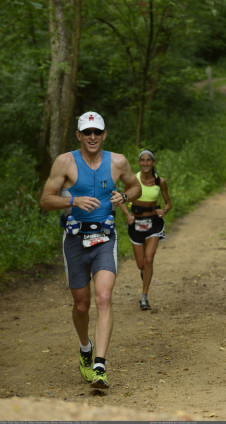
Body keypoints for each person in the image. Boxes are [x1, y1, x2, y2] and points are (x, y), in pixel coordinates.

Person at [40, 111, 141, 389]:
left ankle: (99, 365)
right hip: (74, 240)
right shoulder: (65, 162)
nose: (93, 137)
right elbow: (45, 200)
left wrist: (125, 196)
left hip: (105, 238)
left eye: (98, 132)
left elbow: (135, 188)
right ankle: (85, 348)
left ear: (105, 134)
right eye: (87, 132)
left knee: (104, 296)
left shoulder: (118, 161)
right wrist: (73, 202)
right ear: (79, 136)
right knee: (82, 304)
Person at [120, 149, 172, 310]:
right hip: (136, 223)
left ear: (153, 162)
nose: (145, 163)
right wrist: (128, 215)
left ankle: (144, 297)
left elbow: (168, 203)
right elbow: (120, 198)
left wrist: (164, 211)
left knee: (149, 260)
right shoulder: (132, 179)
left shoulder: (160, 181)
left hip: (153, 223)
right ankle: (145, 272)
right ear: (139, 163)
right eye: (142, 160)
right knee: (141, 264)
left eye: (148, 160)